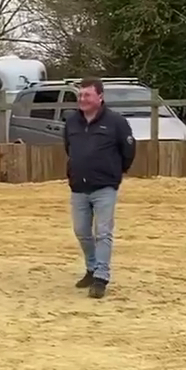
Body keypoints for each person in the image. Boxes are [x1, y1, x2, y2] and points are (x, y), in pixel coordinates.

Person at [63, 77, 136, 299]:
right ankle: (91, 267)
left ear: (100, 97)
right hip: (78, 187)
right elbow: (68, 148)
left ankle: (101, 277)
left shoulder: (116, 122)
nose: (82, 99)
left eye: (87, 94)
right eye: (80, 95)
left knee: (103, 233)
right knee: (82, 231)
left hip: (105, 187)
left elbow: (128, 151)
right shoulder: (72, 122)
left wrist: (114, 172)